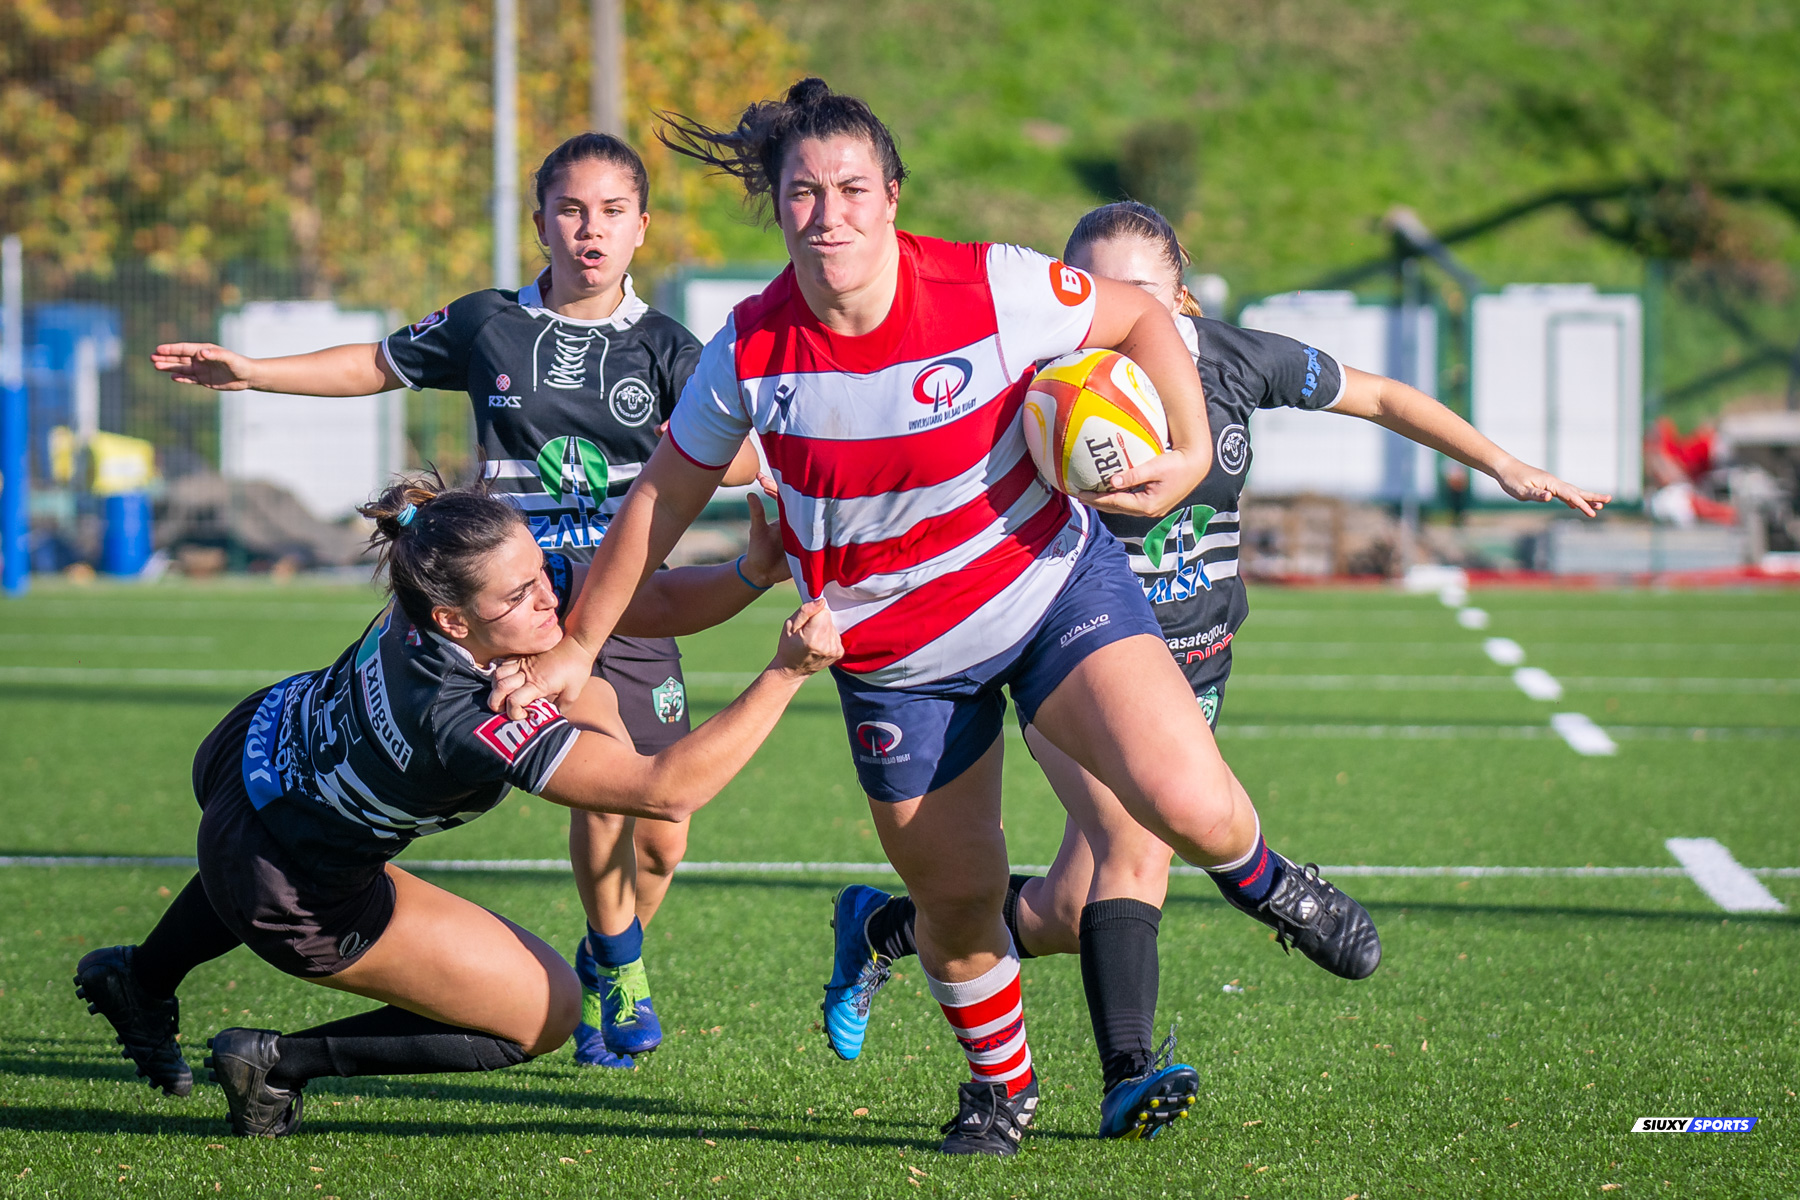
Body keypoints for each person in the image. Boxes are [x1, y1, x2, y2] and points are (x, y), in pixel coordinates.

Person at [486, 79, 1382, 1157]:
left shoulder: (993, 284)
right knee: (957, 904)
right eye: (805, 194)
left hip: (1053, 594)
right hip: (898, 659)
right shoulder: (750, 350)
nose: (832, 216)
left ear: (894, 197)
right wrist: (576, 646)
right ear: (777, 209)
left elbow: (1143, 316)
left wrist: (1188, 454)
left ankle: (1276, 887)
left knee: (1191, 800)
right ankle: (1002, 1092)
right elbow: (657, 504)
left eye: (854, 189)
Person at [831, 200, 1612, 1138]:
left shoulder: (1235, 362)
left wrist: (1503, 465)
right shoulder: (1037, 387)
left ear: (1182, 302)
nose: (1115, 313)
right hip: (1071, 660)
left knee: (1075, 906)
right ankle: (1130, 1072)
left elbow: (1384, 396)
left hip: (1197, 671)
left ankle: (886, 930)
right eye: (1095, 291)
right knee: (1139, 845)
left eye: (1141, 294)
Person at [149, 134, 762, 1069]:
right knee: (598, 762)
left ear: (642, 227)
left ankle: (606, 952)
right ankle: (623, 965)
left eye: (611, 212)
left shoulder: (674, 352)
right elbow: (376, 362)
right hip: (499, 613)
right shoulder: (490, 325)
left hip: (626, 607)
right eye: (570, 209)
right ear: (541, 221)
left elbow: (739, 452)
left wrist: (792, 459)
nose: (590, 230)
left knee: (664, 835)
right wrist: (253, 372)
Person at [72, 474, 836, 1137]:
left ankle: (141, 978)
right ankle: (280, 1064)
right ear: (454, 622)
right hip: (292, 887)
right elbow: (666, 792)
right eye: (523, 596)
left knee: (288, 837)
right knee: (548, 1012)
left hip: (251, 749)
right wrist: (785, 671)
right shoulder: (468, 710)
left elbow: (648, 596)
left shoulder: (440, 579)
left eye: (543, 576)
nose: (550, 602)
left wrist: (750, 570)